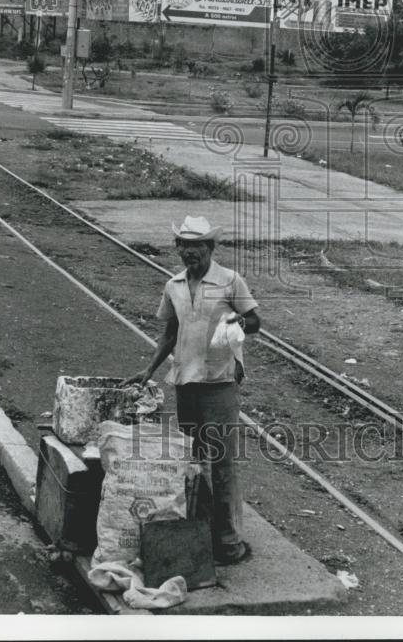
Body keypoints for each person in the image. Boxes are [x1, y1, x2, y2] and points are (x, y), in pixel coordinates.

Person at [126, 215, 260, 565]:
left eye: (197, 246)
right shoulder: (173, 285)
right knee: (192, 461)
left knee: (222, 463)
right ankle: (200, 535)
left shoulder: (230, 281)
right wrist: (148, 369)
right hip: (185, 383)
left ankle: (228, 543)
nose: (190, 253)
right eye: (184, 246)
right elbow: (170, 332)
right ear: (178, 249)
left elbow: (255, 320)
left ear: (210, 248)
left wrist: (235, 324)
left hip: (219, 384)